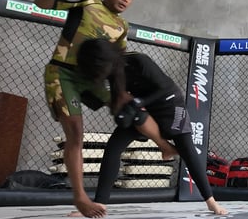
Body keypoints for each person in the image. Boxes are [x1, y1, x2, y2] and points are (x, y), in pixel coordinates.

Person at [34, 0, 177, 218]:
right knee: (76, 133)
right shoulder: (86, 2)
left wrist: (121, 93)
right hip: (63, 73)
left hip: (93, 78)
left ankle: (166, 147)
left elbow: (117, 64)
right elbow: (41, 3)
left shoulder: (122, 26)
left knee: (133, 109)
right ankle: (81, 198)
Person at [74, 38, 228, 215]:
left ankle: (211, 201)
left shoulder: (138, 60)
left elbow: (166, 89)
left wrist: (139, 102)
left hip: (169, 104)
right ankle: (100, 204)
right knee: (113, 146)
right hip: (144, 110)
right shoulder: (110, 73)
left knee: (187, 149)